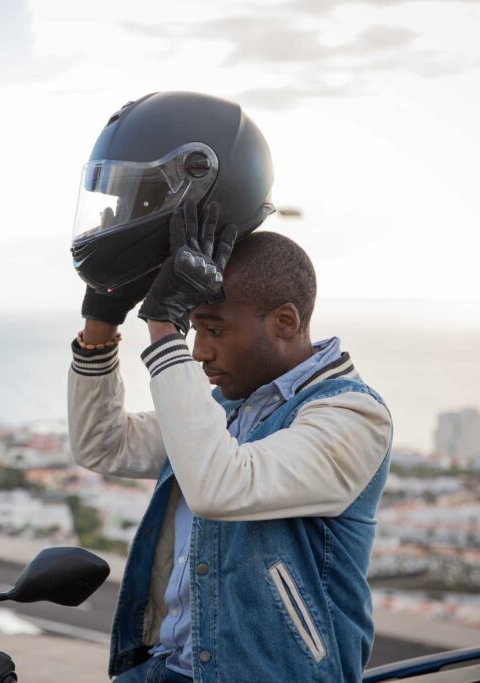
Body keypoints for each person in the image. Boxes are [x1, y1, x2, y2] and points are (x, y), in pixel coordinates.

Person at [68, 93, 393, 683]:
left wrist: (163, 322)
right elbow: (102, 445)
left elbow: (222, 485)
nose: (199, 351)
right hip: (169, 670)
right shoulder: (222, 409)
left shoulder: (351, 418)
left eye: (213, 330)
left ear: (286, 323)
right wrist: (101, 322)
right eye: (195, 329)